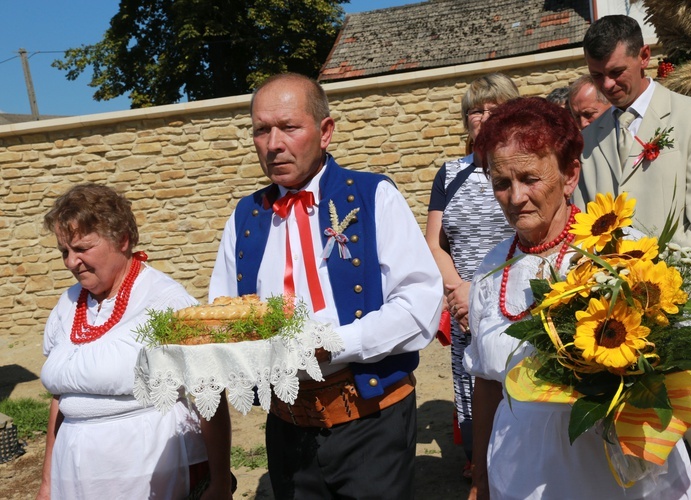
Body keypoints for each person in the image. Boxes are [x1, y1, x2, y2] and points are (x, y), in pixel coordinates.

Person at [208, 72, 443, 498]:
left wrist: (331, 343)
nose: (274, 143)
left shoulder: (373, 196)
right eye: (262, 130)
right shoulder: (245, 217)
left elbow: (418, 303)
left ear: (326, 131)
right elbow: (224, 311)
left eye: (289, 127)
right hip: (288, 427)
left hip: (372, 420)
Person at [465, 96, 691, 500]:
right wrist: (480, 480)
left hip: (614, 471)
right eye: (502, 183)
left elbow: (669, 365)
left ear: (570, 174)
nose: (515, 196)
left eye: (530, 178)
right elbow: (487, 385)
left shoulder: (619, 251)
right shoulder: (490, 268)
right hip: (522, 471)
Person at [573, 15, 691, 500]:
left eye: (617, 72)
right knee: (643, 440)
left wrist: (655, 291)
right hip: (620, 316)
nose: (607, 84)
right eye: (597, 74)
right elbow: (589, 224)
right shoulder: (589, 139)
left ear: (645, 57)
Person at [37, 184, 231, 500]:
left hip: (150, 474)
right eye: (64, 252)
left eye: (82, 248)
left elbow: (209, 393)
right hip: (72, 475)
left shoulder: (167, 302)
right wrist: (48, 483)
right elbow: (62, 397)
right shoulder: (66, 305)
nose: (71, 262)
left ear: (122, 239)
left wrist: (220, 484)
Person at [426, 73, 517, 475]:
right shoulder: (450, 174)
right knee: (472, 388)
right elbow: (434, 243)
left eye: (492, 108)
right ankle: (479, 465)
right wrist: (460, 291)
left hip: (517, 302)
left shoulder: (523, 169)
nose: (482, 117)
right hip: (464, 306)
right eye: (474, 110)